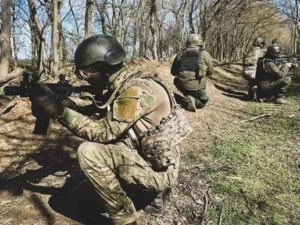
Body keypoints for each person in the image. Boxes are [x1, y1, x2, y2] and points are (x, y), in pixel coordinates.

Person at [30, 34, 192, 225]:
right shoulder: (123, 84)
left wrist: (59, 112)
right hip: (153, 158)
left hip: (158, 169)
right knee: (78, 199)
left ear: (103, 69)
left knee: (89, 152)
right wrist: (71, 106)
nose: (84, 77)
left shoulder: (135, 90)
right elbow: (104, 113)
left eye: (86, 73)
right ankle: (153, 198)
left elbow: (103, 132)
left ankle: (126, 219)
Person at [171, 33, 214, 112]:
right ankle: (194, 100)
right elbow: (210, 72)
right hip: (198, 87)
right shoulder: (205, 54)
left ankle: (188, 96)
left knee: (176, 80)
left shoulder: (180, 54)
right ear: (200, 43)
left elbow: (173, 72)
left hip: (182, 85)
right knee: (203, 102)